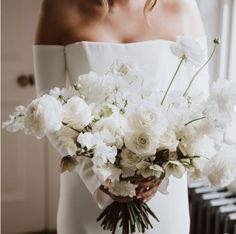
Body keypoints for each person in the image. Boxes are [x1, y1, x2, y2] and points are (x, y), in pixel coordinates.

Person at [33, 0, 209, 233]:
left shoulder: (183, 6)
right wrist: (97, 177)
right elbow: (48, 108)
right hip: (88, 190)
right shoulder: (58, 6)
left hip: (160, 192)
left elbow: (199, 105)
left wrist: (159, 171)